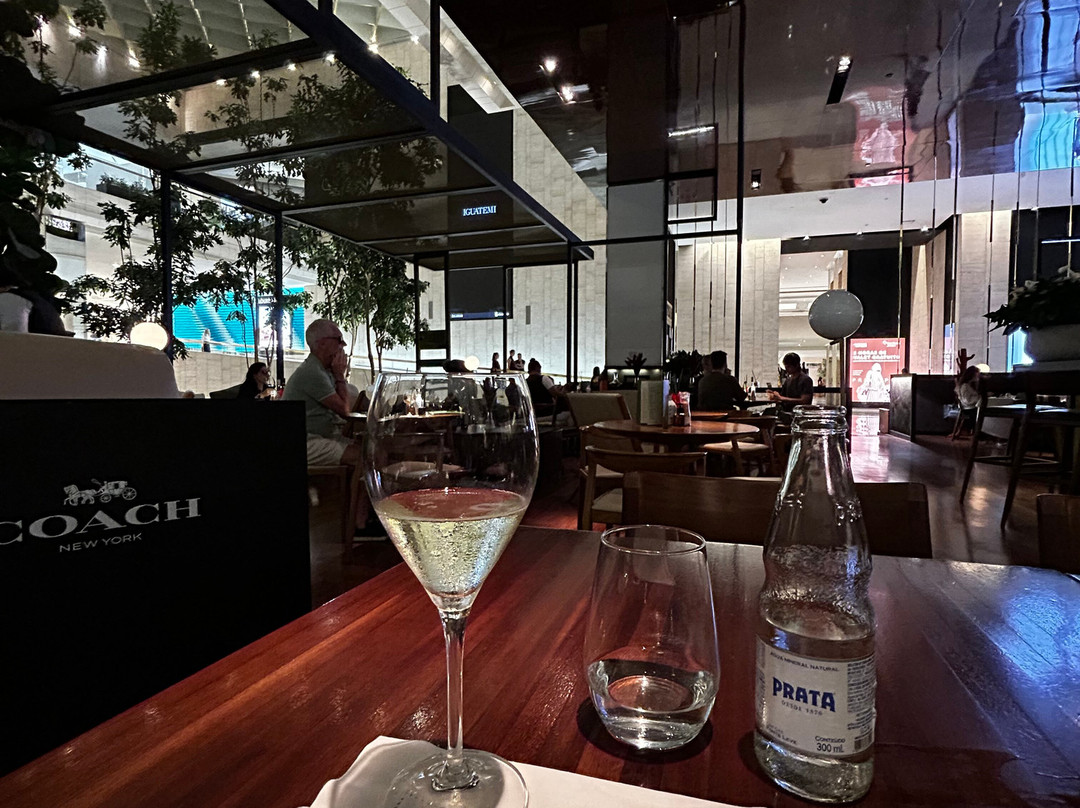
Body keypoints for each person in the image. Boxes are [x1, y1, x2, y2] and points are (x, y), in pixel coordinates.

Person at [284, 319, 373, 532]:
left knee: (370, 450)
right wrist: (340, 375)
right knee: (367, 457)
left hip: (319, 436)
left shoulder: (322, 371)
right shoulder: (312, 372)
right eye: (339, 340)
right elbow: (345, 410)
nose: (343, 345)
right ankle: (359, 523)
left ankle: (357, 517)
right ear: (322, 343)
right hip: (305, 442)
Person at [526, 358, 571, 424]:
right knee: (570, 413)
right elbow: (556, 395)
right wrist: (565, 392)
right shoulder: (544, 379)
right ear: (538, 368)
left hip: (533, 412)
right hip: (547, 412)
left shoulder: (525, 382)